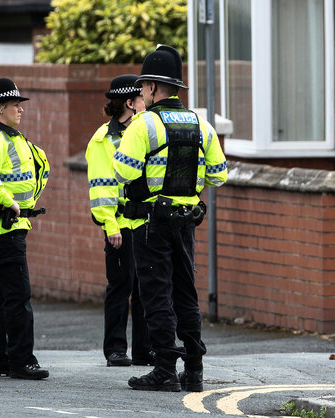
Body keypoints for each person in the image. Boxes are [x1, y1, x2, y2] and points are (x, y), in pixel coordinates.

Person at [113, 44, 227, 392]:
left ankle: (164, 368)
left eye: (143, 88)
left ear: (150, 88)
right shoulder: (201, 125)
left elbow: (123, 172)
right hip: (186, 223)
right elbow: (219, 175)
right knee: (185, 293)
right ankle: (193, 369)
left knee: (156, 294)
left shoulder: (143, 125)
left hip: (151, 224)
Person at [0, 78, 50, 380]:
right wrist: (11, 203)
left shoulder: (9, 137)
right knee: (17, 295)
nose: (21, 109)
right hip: (5, 226)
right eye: (15, 104)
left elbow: (40, 166)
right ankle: (21, 360)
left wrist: (27, 201)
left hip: (1, 225)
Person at [86, 74, 154, 367]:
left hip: (145, 224)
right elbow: (101, 188)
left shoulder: (144, 132)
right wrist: (110, 226)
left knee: (144, 289)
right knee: (120, 287)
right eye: (141, 97)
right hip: (120, 226)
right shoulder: (104, 139)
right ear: (129, 102)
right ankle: (115, 349)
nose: (146, 101)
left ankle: (143, 349)